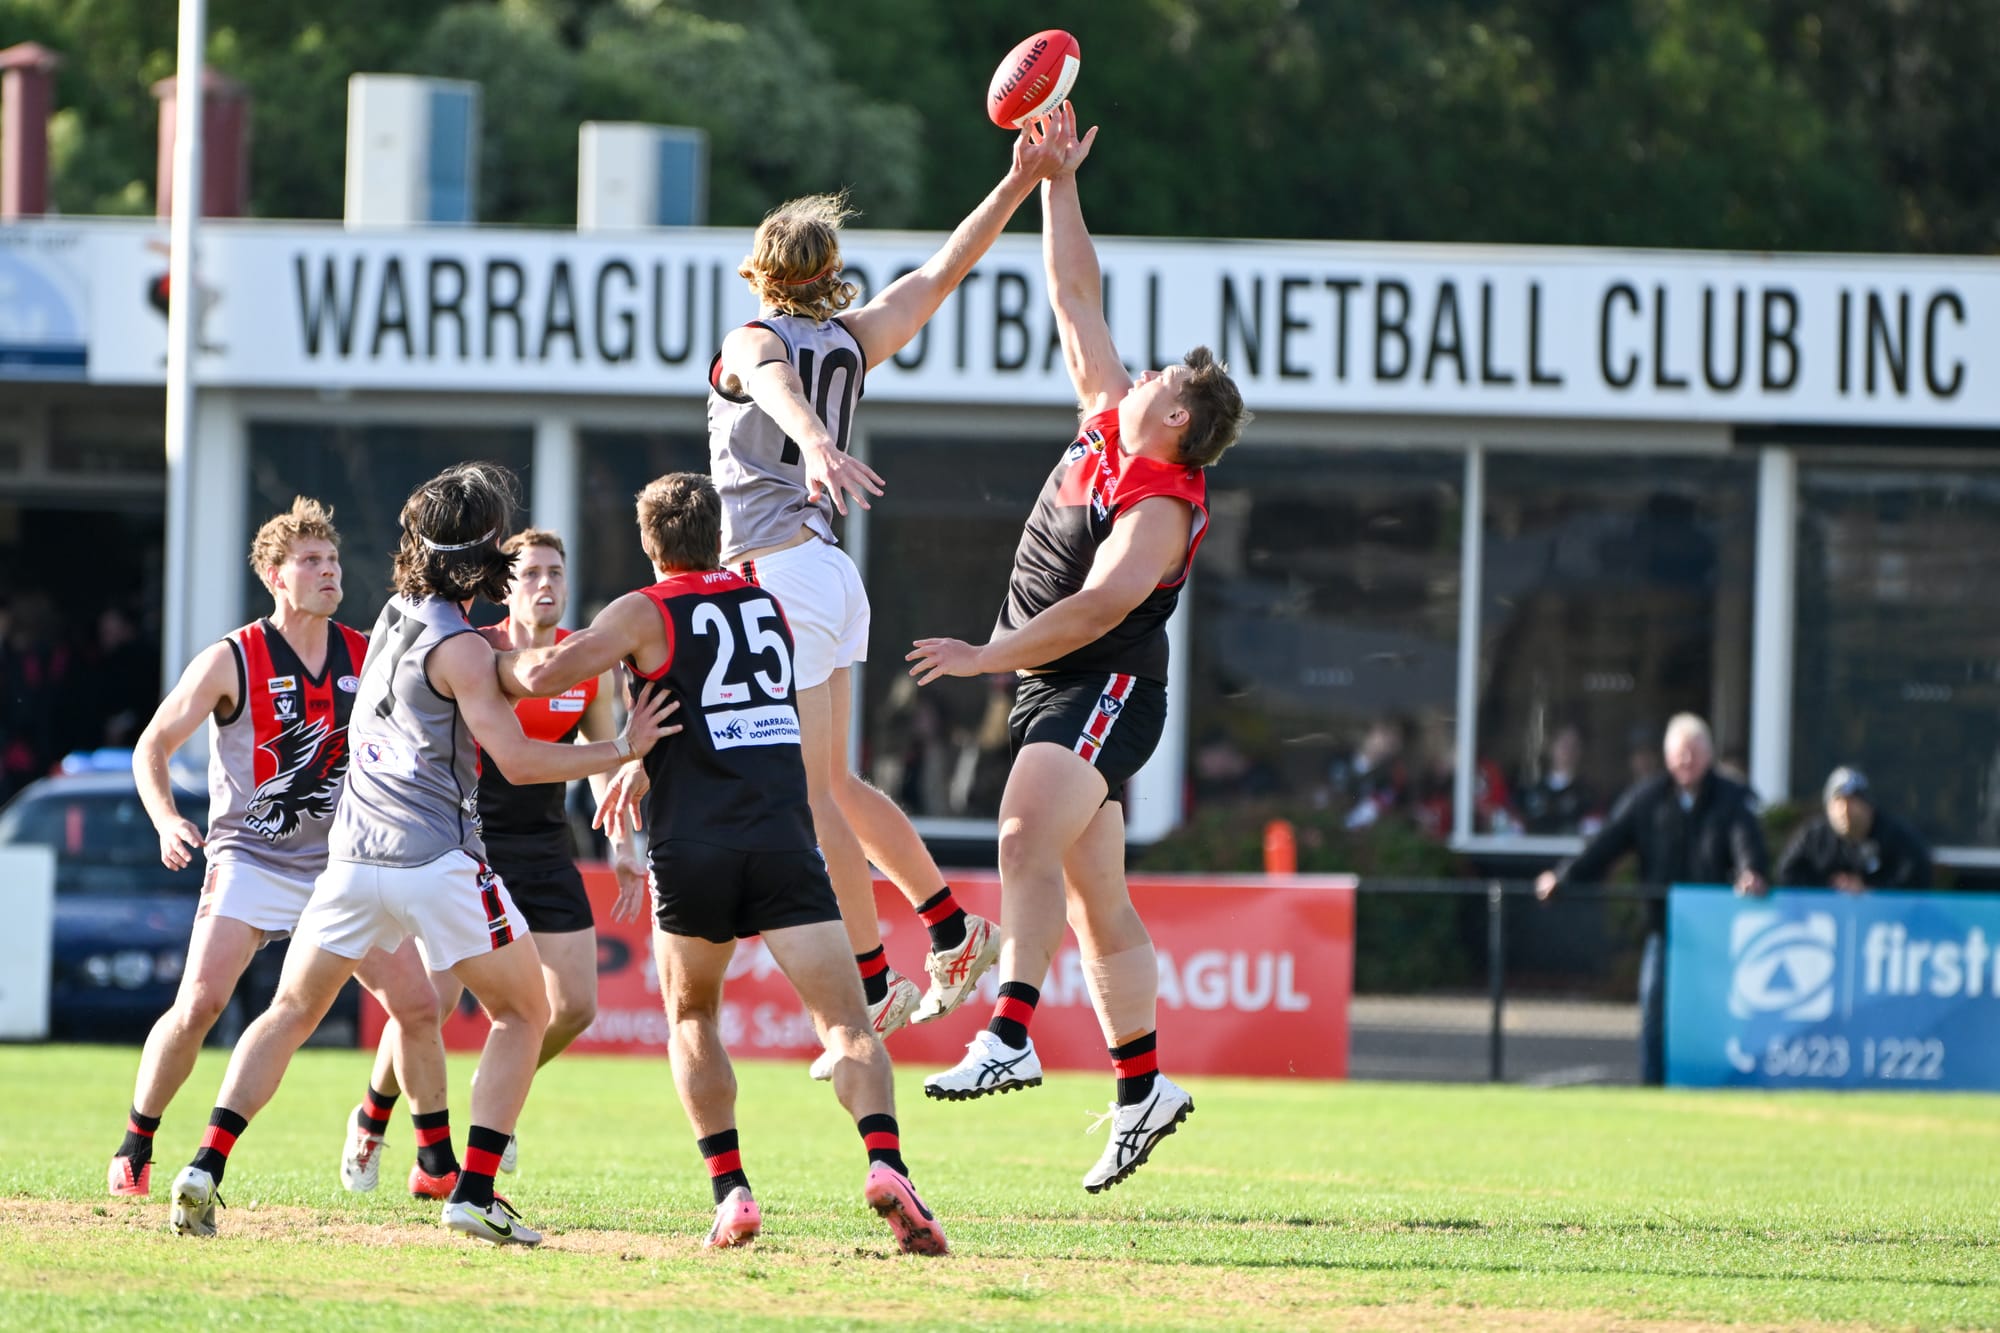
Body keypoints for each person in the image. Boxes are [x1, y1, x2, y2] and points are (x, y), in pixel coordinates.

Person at [165, 464, 677, 1247]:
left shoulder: (392, 612)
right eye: (502, 543)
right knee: (524, 1010)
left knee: (291, 1011)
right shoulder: (466, 647)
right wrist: (621, 746)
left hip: (349, 864)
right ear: (481, 559)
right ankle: (473, 1189)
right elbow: (518, 760)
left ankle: (205, 1163)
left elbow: (497, 671)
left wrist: (524, 673)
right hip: (437, 862)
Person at [907, 106, 1250, 1192]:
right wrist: (1053, 177)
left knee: (1019, 831)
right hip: (1058, 680)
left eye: (1156, 382)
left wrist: (985, 654)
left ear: (1176, 427)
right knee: (1098, 897)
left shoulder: (1160, 504)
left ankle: (1009, 1032)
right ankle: (1142, 1087)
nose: (1135, 373)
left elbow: (1099, 612)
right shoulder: (1109, 418)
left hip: (1101, 687)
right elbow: (1074, 293)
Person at [498, 472, 946, 1254]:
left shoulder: (645, 607)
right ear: (720, 534)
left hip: (692, 844)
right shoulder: (764, 602)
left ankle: (732, 1189)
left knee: (694, 1014)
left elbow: (542, 676)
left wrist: (470, 664)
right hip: (781, 836)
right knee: (845, 1019)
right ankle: (885, 1161)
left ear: (649, 544)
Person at [706, 113, 1072, 1069]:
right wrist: (1022, 180)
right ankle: (948, 926)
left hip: (777, 569)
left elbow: (768, 379)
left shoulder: (752, 337)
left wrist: (817, 441)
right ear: (829, 272)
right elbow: (942, 273)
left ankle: (873, 982)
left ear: (760, 269)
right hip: (827, 570)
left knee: (807, 796)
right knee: (832, 784)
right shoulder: (855, 339)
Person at [107, 499, 445, 1201]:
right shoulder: (233, 657)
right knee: (199, 1002)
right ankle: (137, 1140)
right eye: (311, 561)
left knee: (418, 1005)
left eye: (333, 559)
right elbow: (153, 746)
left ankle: (435, 1162)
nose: (329, 572)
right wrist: (168, 817)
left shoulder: (366, 651)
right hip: (252, 859)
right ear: (273, 575)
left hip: (346, 866)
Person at [341, 528, 647, 1192]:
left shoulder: (581, 662)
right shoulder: (476, 651)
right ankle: (372, 1114)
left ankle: (492, 1095)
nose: (545, 583)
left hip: (544, 844)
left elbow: (605, 759)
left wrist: (624, 846)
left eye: (555, 572)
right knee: (431, 1003)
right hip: (465, 838)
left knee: (575, 1004)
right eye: (531, 571)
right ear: (504, 585)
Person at [1535, 713, 1769, 1085]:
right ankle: (1653, 1087)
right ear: (1667, 757)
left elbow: (1747, 845)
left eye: (1693, 752)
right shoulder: (1648, 799)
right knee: (1655, 1009)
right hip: (1666, 927)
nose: (1686, 761)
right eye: (1679, 754)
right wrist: (1562, 877)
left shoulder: (1731, 798)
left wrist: (1750, 872)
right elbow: (1606, 843)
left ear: (1708, 755)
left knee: (1718, 1011)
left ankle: (1718, 1083)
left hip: (1718, 929)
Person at [1775, 766, 1933, 891]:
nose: (1845, 811)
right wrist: (1829, 888)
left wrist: (1870, 889)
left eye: (1852, 802)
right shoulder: (1814, 837)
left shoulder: (1896, 836)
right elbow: (1786, 874)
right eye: (1838, 802)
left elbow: (1915, 878)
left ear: (1869, 806)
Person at [1518, 724, 1599, 836]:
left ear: (1580, 751)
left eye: (1573, 745)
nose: (1567, 751)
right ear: (1551, 747)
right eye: (1563, 744)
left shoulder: (1587, 794)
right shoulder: (1532, 790)